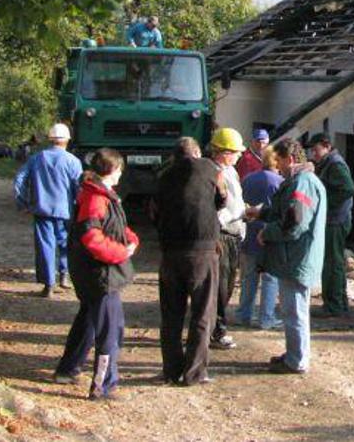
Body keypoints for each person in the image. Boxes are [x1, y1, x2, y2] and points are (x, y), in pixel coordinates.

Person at [53, 149, 139, 400]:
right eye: (120, 169)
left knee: (88, 322)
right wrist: (120, 253)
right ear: (112, 170)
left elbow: (115, 226)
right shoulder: (96, 198)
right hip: (100, 274)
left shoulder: (99, 194)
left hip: (93, 272)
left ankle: (68, 369)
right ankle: (103, 386)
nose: (121, 174)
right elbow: (92, 238)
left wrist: (131, 238)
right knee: (110, 332)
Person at [248, 138, 326, 374]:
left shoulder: (303, 184)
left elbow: (295, 223)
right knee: (293, 309)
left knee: (294, 311)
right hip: (293, 257)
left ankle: (296, 360)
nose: (277, 167)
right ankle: (295, 354)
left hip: (296, 258)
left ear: (289, 159)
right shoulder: (300, 182)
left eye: (279, 161)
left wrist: (267, 232)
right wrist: (261, 212)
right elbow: (287, 212)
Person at [155, 137, 226, 385]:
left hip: (170, 252)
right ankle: (195, 372)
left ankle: (171, 370)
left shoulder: (163, 175)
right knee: (203, 313)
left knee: (171, 315)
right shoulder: (211, 169)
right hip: (203, 251)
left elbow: (154, 211)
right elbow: (222, 200)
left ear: (175, 156)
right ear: (196, 153)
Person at [14, 123, 83, 298]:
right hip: (66, 211)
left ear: (50, 139)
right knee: (66, 244)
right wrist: (80, 207)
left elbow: (19, 179)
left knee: (46, 245)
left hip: (42, 210)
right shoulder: (73, 161)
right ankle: (64, 277)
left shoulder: (37, 158)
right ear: (67, 140)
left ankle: (48, 285)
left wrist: (23, 203)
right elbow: (79, 187)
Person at [307, 133, 354, 317]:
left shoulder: (335, 164)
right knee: (334, 262)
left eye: (316, 150)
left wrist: (324, 204)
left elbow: (348, 189)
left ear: (327, 146)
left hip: (335, 221)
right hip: (335, 220)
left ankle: (334, 306)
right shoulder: (328, 163)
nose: (313, 154)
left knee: (332, 263)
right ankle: (339, 303)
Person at [207, 127, 247, 350]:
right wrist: (238, 215)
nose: (240, 155)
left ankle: (216, 328)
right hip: (222, 235)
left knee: (228, 284)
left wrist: (243, 211)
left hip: (233, 233)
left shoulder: (230, 171)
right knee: (220, 286)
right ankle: (216, 330)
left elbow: (234, 201)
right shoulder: (214, 173)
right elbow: (217, 209)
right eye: (236, 152)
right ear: (224, 153)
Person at [237, 147, 284, 330]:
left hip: (249, 233)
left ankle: (244, 314)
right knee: (270, 279)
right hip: (269, 236)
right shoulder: (281, 182)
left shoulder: (248, 179)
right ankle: (267, 317)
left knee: (248, 277)